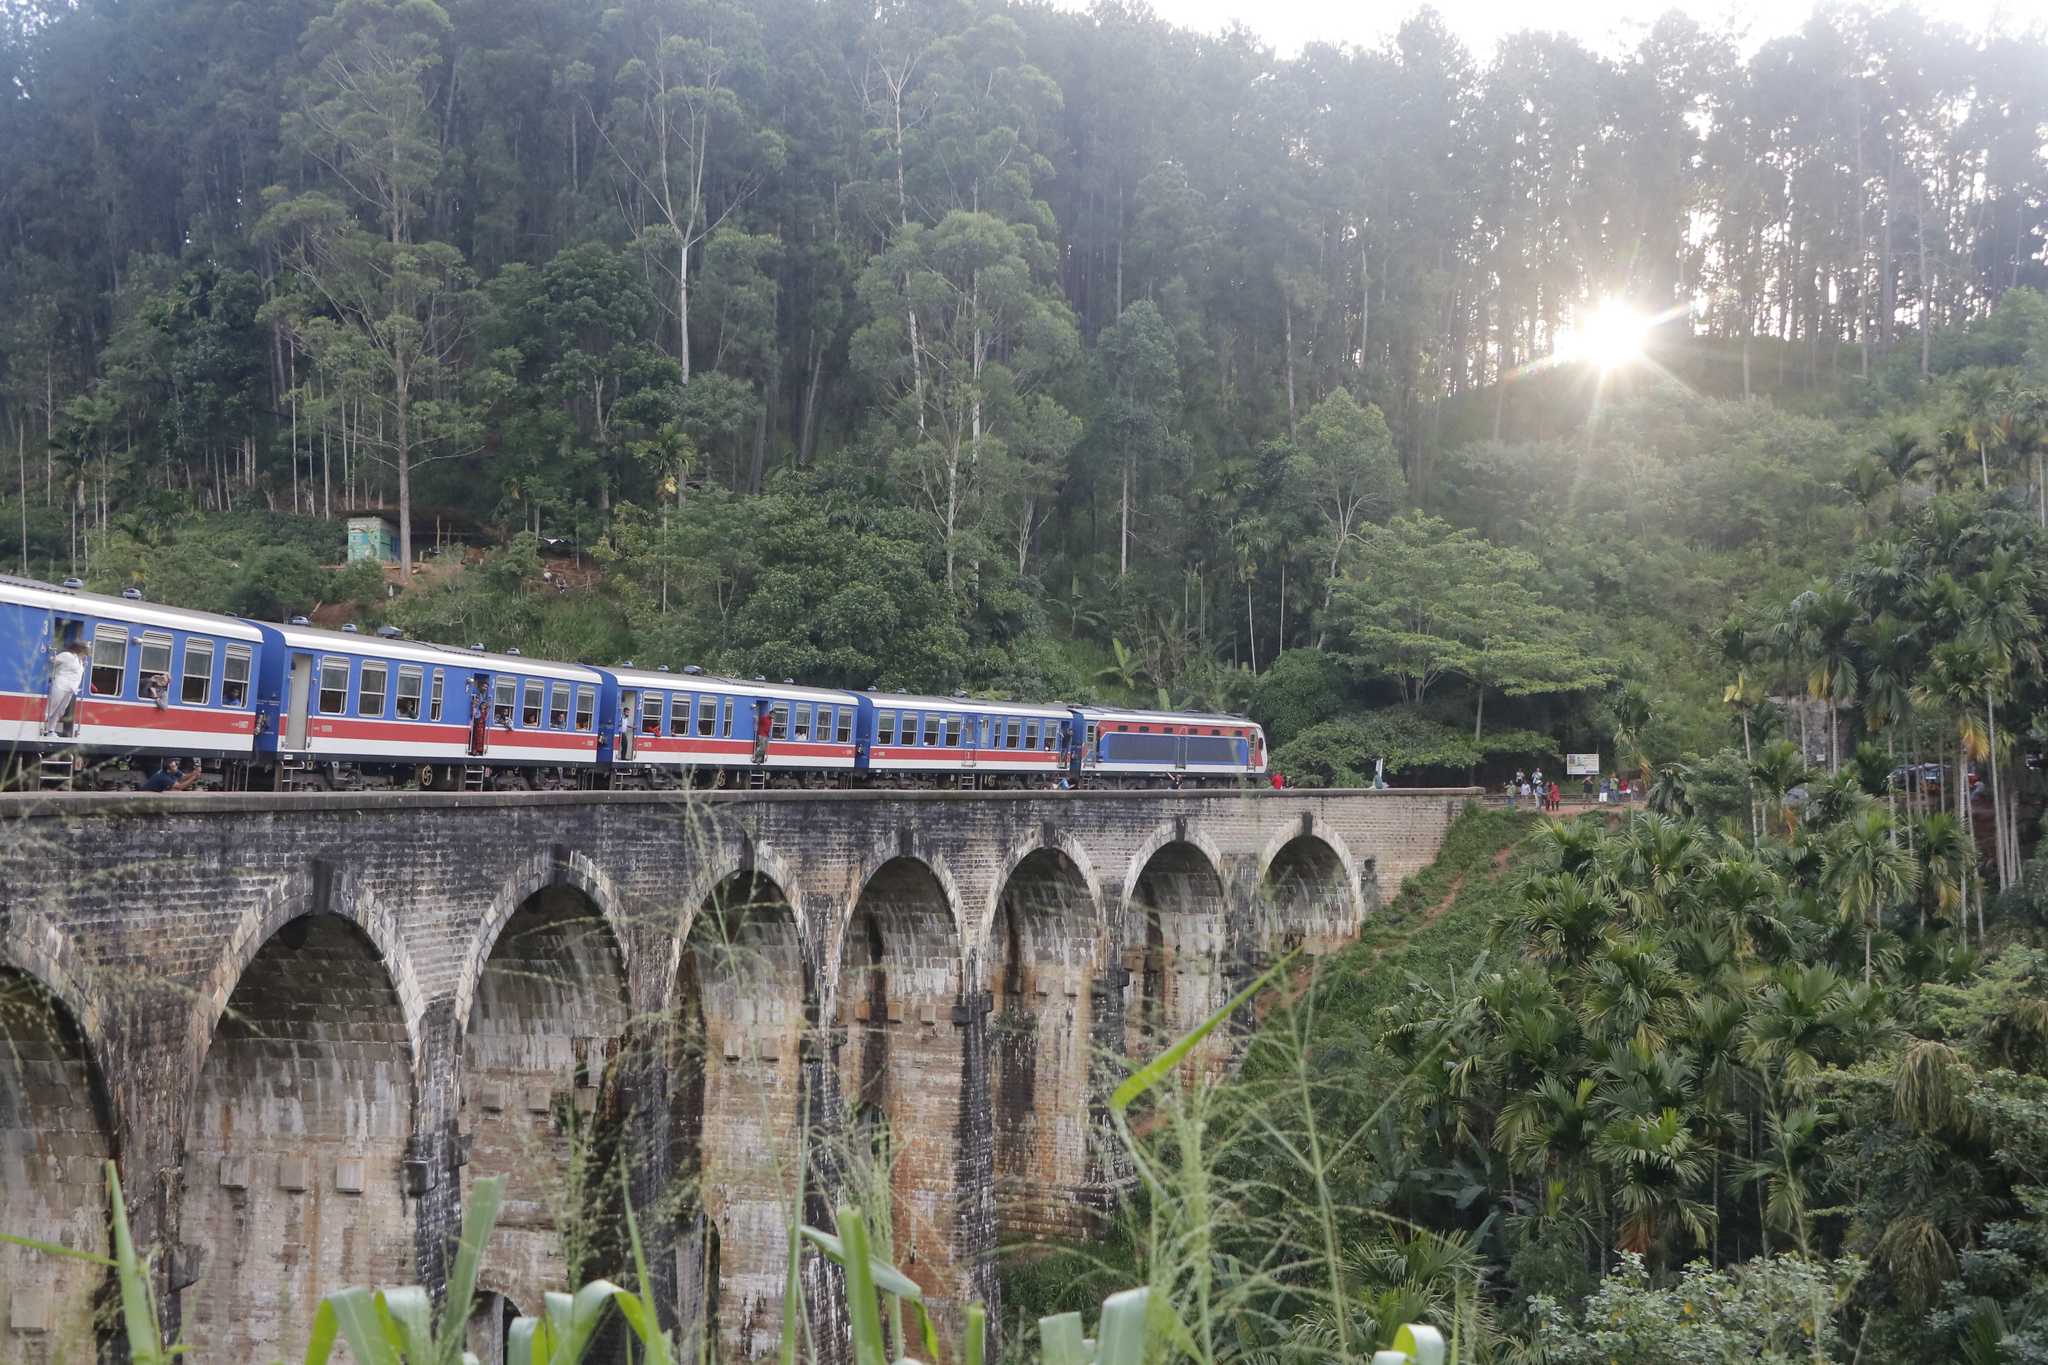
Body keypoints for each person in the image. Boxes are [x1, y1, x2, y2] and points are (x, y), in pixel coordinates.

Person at [44, 638, 87, 736]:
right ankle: (42, 728)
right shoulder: (67, 655)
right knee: (51, 707)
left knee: (60, 710)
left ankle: (51, 730)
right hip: (60, 685)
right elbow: (52, 661)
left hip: (71, 689)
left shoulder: (80, 661)